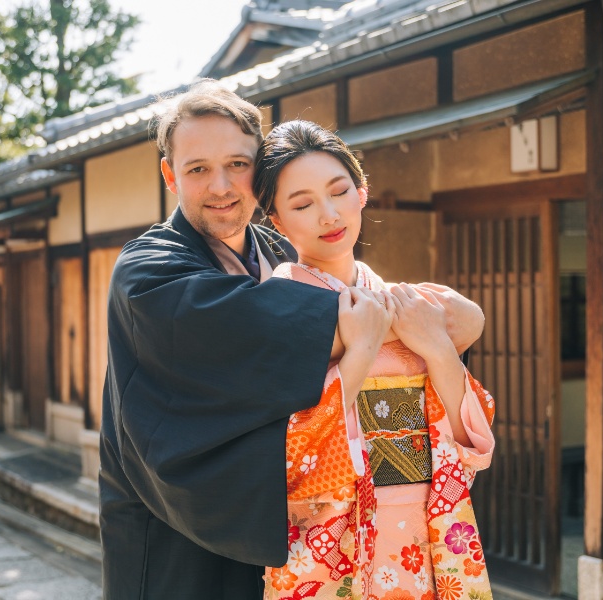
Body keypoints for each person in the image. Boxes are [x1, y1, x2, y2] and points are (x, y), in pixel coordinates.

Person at [97, 80, 484, 599]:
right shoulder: (149, 270)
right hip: (182, 530)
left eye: (237, 164)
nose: (221, 185)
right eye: (197, 169)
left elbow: (460, 321)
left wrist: (408, 325)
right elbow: (256, 331)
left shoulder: (282, 251)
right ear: (170, 175)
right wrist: (395, 324)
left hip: (297, 526)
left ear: (260, 173)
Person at [253, 120, 496, 599]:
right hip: (331, 531)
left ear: (361, 192)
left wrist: (437, 349)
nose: (328, 214)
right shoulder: (280, 302)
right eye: (302, 204)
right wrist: (363, 349)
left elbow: (470, 441)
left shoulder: (397, 299)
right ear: (277, 221)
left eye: (339, 191)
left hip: (420, 523)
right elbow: (285, 440)